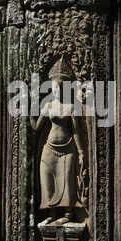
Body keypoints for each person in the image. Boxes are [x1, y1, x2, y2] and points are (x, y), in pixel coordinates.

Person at [30, 58, 86, 225]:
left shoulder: (72, 107)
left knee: (67, 182)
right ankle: (51, 213)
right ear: (51, 88)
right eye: (55, 87)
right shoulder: (48, 106)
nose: (58, 90)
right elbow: (36, 128)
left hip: (68, 149)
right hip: (49, 149)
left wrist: (82, 152)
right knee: (46, 179)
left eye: (62, 87)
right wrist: (28, 111)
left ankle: (68, 214)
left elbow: (76, 133)